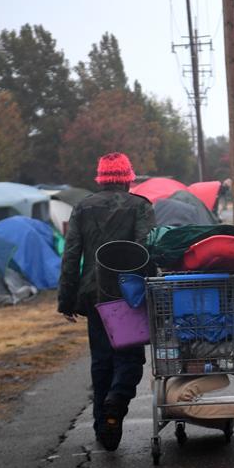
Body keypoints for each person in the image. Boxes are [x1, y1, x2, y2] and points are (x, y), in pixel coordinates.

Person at [58, 152, 156, 451]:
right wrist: (150, 287)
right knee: (130, 358)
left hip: (92, 293)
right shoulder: (140, 206)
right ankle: (117, 401)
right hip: (128, 293)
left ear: (100, 179)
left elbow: (71, 253)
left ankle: (104, 426)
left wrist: (67, 298)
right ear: (128, 177)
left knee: (101, 359)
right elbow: (146, 249)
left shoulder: (82, 208)